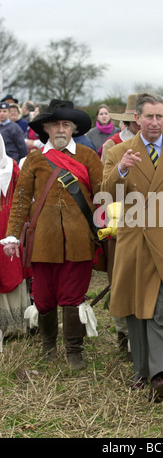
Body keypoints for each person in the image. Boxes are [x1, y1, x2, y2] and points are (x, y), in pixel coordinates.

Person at [101, 92, 163, 402]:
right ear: (137, 119)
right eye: (149, 117)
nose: (155, 122)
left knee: (159, 308)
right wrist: (122, 170)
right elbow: (107, 194)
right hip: (135, 242)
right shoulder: (120, 152)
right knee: (136, 310)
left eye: (161, 116)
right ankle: (140, 371)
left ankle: (159, 374)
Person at [1, 100, 104, 370]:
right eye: (55, 124)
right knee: (44, 298)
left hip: (79, 240)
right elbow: (21, 200)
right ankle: (48, 346)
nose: (60, 129)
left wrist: (107, 226)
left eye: (65, 124)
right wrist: (12, 235)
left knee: (73, 298)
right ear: (45, 128)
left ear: (73, 128)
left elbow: (102, 194)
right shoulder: (34, 159)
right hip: (42, 242)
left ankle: (74, 351)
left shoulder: (87, 156)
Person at [100, 94, 140, 357]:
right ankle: (124, 335)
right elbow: (105, 189)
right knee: (119, 279)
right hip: (120, 222)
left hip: (152, 220)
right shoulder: (111, 146)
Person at [0, 135, 31, 338]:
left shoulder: (11, 167)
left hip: (9, 224)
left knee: (11, 268)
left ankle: (15, 325)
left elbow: (24, 196)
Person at [101, 94, 140, 165]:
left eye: (142, 119)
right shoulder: (111, 144)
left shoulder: (156, 141)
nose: (139, 124)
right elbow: (105, 174)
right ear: (128, 121)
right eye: (134, 121)